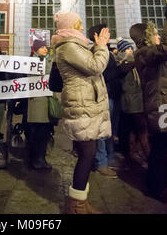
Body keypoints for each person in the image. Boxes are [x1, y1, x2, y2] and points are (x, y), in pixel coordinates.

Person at [52, 11, 110, 214]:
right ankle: (76, 205)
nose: (83, 28)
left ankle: (80, 202)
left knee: (87, 153)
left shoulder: (75, 45)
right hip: (81, 104)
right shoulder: (68, 46)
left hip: (85, 103)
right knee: (87, 153)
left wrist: (97, 46)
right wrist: (101, 46)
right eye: (79, 24)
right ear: (71, 26)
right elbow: (95, 66)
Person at [130, 21, 167, 201]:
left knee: (161, 147)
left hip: (162, 105)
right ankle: (154, 188)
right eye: (155, 33)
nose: (158, 36)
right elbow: (163, 49)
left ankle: (157, 185)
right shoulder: (145, 53)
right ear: (146, 37)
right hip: (160, 108)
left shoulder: (149, 54)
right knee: (161, 147)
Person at [88, 24, 124, 178]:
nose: (109, 35)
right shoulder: (96, 52)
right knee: (101, 132)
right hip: (103, 96)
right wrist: (121, 70)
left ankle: (109, 158)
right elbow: (100, 74)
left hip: (112, 95)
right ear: (98, 35)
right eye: (106, 32)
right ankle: (101, 161)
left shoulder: (106, 51)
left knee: (109, 130)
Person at [116, 38, 149, 169]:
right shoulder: (124, 63)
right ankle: (146, 155)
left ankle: (134, 153)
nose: (131, 51)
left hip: (137, 102)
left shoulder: (132, 63)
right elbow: (123, 71)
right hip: (132, 103)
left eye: (131, 48)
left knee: (134, 130)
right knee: (141, 130)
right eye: (128, 49)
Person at [26, 39, 53, 170]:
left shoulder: (45, 60)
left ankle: (39, 158)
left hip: (44, 100)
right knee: (38, 132)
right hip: (37, 101)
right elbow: (42, 76)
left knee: (44, 132)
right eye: (42, 47)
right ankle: (37, 159)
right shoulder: (33, 62)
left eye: (46, 47)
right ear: (36, 49)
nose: (45, 49)